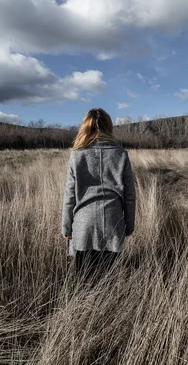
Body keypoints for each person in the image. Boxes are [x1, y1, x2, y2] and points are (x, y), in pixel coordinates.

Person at [61, 108, 136, 281]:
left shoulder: (76, 156)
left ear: (85, 128)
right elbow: (130, 196)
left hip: (83, 224)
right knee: (109, 282)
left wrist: (66, 226)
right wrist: (129, 225)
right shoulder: (121, 154)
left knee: (83, 282)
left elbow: (69, 196)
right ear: (108, 127)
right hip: (113, 222)